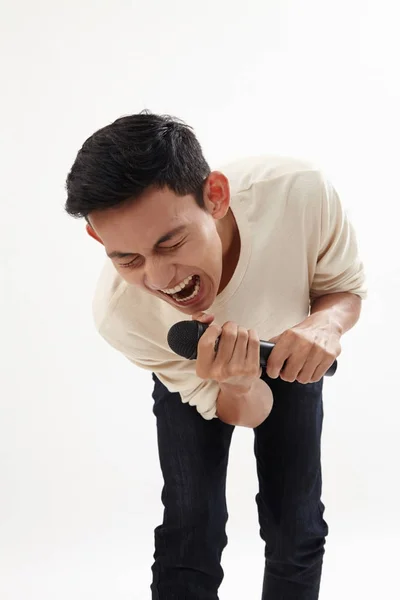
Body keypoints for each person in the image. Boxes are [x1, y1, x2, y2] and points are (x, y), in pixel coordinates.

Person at [65, 111, 367, 600]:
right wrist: (239, 384)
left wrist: (325, 323)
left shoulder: (300, 192)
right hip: (199, 375)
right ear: (100, 240)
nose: (160, 280)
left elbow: (343, 289)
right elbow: (241, 411)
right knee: (191, 531)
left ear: (217, 197)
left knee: (298, 526)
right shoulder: (125, 316)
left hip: (291, 352)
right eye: (128, 259)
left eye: (172, 242)